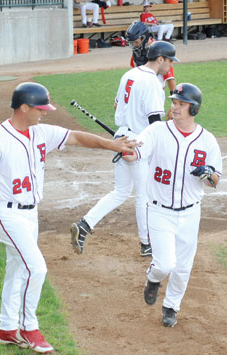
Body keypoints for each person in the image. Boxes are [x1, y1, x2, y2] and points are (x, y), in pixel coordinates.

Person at [0, 82, 133, 354]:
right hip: (6, 213)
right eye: (41, 108)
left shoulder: (40, 133)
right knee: (37, 268)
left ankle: (7, 329)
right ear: (24, 107)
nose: (45, 113)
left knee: (18, 268)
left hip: (30, 213)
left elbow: (78, 137)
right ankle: (29, 328)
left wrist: (112, 145)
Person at [123, 83, 222, 327]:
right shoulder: (157, 130)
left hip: (190, 213)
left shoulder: (207, 140)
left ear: (194, 109)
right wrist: (126, 149)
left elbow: (215, 181)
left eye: (181, 103)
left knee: (183, 267)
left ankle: (171, 307)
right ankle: (153, 277)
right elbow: (138, 151)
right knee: (165, 264)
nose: (175, 107)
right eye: (174, 102)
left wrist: (208, 173)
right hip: (159, 210)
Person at [70, 41, 179, 257]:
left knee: (120, 191)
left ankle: (84, 225)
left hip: (121, 137)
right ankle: (146, 243)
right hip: (138, 141)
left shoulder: (129, 75)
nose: (170, 66)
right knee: (143, 196)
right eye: (169, 61)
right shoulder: (152, 83)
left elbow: (116, 105)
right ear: (160, 59)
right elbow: (154, 121)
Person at [126, 21, 176, 119]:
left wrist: (173, 105)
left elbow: (170, 80)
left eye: (136, 41)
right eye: (132, 43)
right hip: (140, 95)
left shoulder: (159, 51)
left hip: (154, 96)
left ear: (144, 38)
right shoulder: (138, 52)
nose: (134, 45)